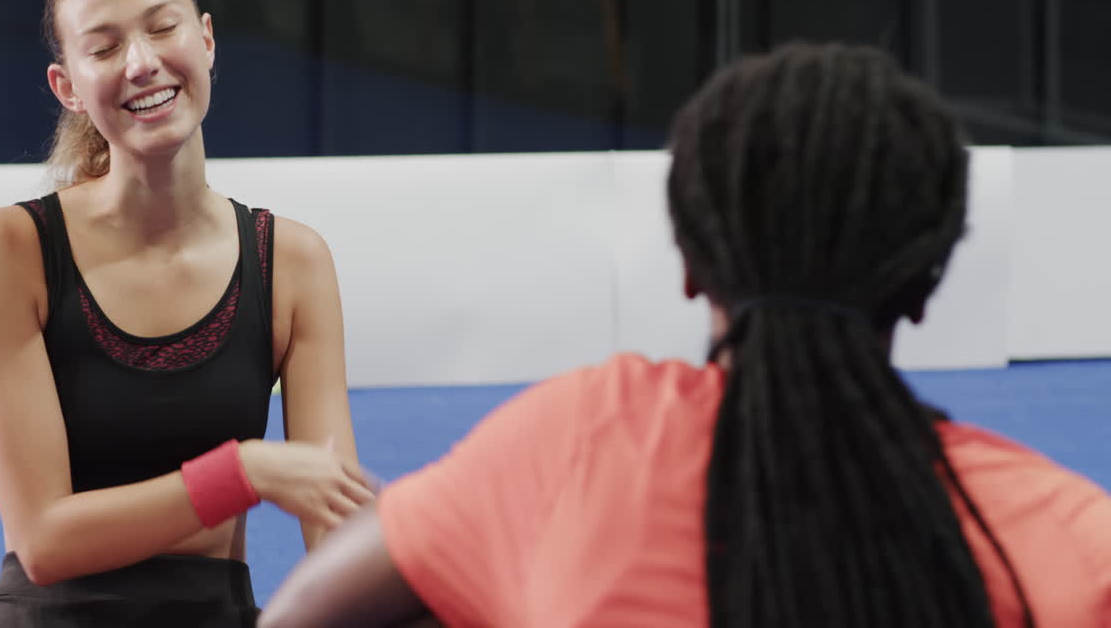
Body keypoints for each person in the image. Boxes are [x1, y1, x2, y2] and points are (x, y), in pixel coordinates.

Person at [255, 43, 1111, 628]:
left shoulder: (574, 447)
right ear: (925, 284)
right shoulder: (1073, 535)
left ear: (693, 267)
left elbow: (301, 614)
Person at [0, 0, 374, 626]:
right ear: (69, 89)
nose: (143, 62)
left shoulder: (292, 260)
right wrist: (242, 473)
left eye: (162, 26)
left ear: (206, 41)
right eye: (105, 46)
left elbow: (334, 525)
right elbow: (43, 542)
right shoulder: (8, 249)